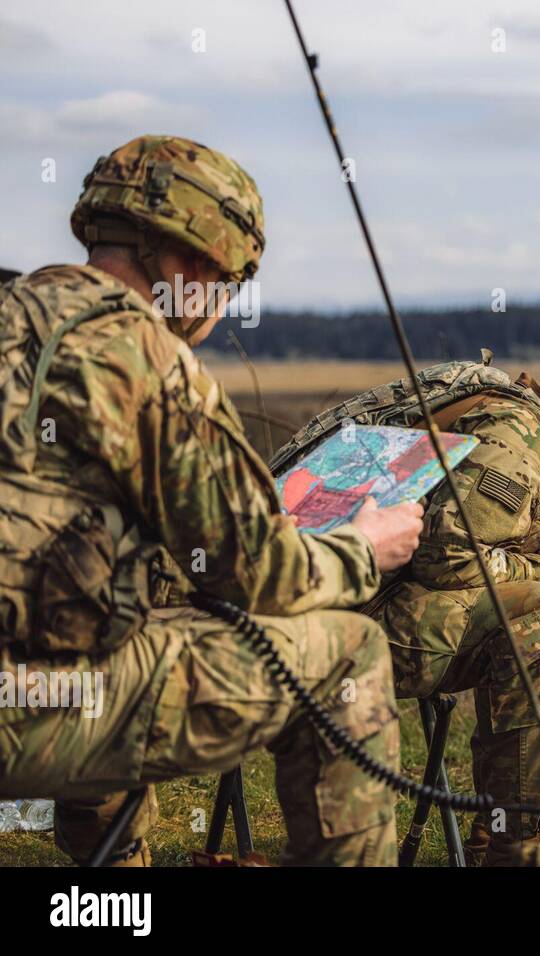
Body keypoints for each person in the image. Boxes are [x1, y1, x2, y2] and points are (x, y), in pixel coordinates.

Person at [0, 136, 424, 866]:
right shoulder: (139, 350)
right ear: (195, 267)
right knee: (347, 653)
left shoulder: (14, 306)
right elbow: (261, 573)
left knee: (115, 629)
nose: (221, 311)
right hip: (28, 710)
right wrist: (361, 548)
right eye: (229, 286)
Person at [271, 323, 540, 864]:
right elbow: (448, 559)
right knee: (534, 616)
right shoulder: (517, 439)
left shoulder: (529, 440)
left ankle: (519, 828)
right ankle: (517, 844)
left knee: (537, 607)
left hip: (333, 600)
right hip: (325, 626)